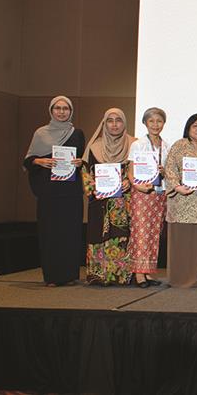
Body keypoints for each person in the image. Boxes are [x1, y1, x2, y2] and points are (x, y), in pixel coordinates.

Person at [23, 95, 85, 287]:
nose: (61, 111)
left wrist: (80, 162)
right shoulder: (40, 133)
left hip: (71, 192)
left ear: (71, 111)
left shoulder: (77, 133)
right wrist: (39, 161)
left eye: (65, 108)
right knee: (50, 234)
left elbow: (81, 159)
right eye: (57, 108)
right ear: (51, 110)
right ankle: (52, 276)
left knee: (70, 233)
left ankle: (69, 274)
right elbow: (27, 161)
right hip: (49, 193)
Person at [81, 108, 134, 285]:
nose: (114, 124)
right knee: (97, 233)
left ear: (124, 123)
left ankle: (120, 276)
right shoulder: (94, 147)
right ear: (104, 123)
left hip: (122, 201)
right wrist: (92, 187)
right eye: (109, 120)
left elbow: (139, 170)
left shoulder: (134, 144)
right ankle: (99, 275)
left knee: (121, 234)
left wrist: (129, 181)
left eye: (118, 120)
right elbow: (85, 171)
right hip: (99, 200)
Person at [164, 113, 197, 288]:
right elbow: (169, 169)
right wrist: (176, 187)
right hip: (182, 200)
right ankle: (179, 278)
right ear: (188, 128)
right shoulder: (179, 146)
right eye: (195, 126)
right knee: (181, 241)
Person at [127, 107, 169, 288]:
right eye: (151, 121)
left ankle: (149, 272)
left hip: (159, 194)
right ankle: (138, 274)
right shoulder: (138, 144)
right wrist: (136, 185)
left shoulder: (166, 146)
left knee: (154, 233)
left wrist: (163, 171)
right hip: (141, 193)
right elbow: (130, 170)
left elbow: (168, 172)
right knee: (141, 233)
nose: (155, 125)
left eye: (159, 121)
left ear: (164, 124)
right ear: (145, 123)